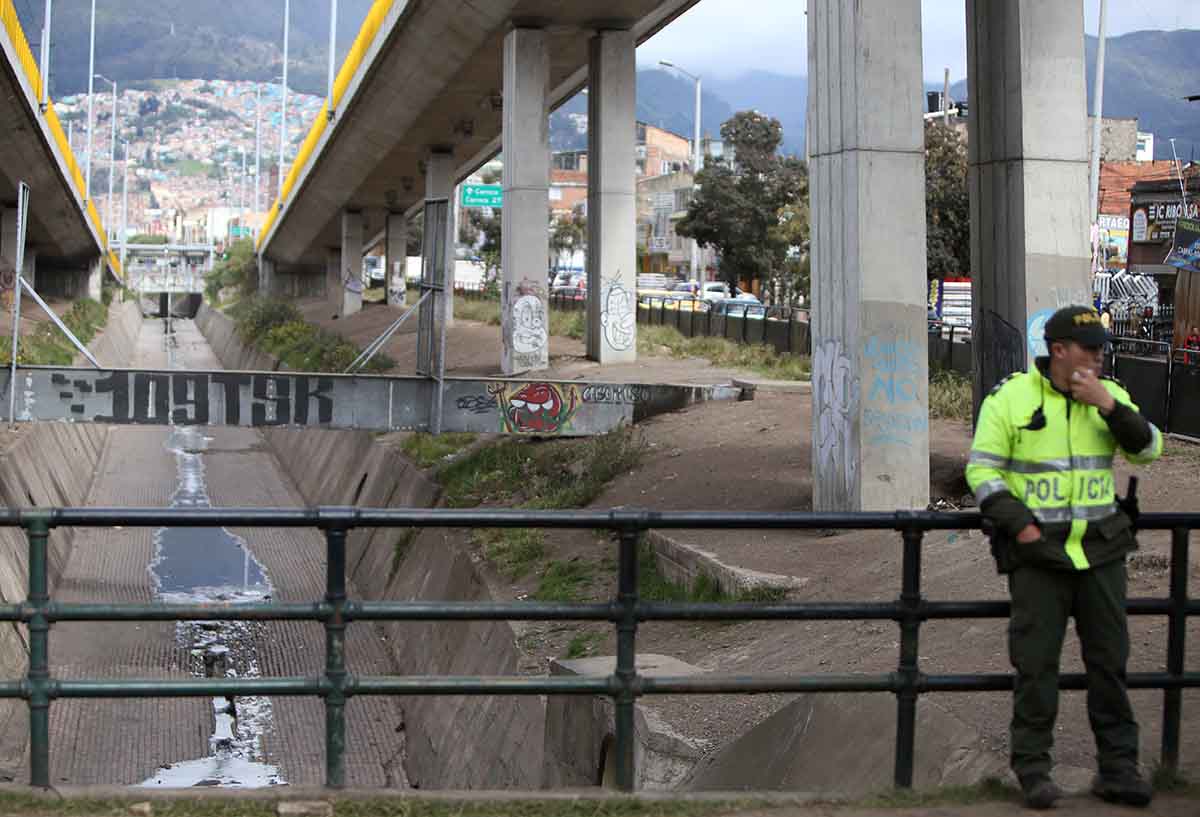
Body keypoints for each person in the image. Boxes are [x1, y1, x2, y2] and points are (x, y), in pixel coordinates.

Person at [965, 305, 1163, 810]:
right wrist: (1021, 525)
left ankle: (1118, 770)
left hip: (1102, 553)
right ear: (1058, 351)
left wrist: (1109, 407)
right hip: (1038, 555)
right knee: (1036, 667)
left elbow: (1149, 450)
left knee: (1110, 665)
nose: (1099, 356)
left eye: (1101, 348)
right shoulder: (1011, 398)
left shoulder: (1110, 394)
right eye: (1089, 348)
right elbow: (983, 471)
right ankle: (1034, 771)